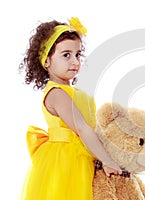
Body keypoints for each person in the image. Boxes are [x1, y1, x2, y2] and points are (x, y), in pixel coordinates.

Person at [19, 17, 122, 200]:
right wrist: (107, 159)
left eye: (78, 55)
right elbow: (81, 127)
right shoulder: (57, 93)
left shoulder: (72, 92)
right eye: (66, 55)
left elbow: (91, 126)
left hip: (85, 153)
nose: (75, 61)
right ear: (47, 61)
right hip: (67, 161)